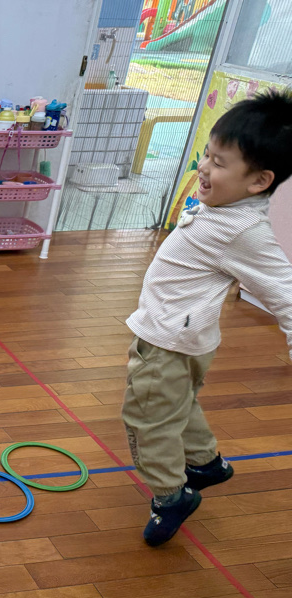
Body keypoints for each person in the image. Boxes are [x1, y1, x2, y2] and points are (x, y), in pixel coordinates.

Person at [123, 89, 292, 547]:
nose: (203, 167)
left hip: (167, 343)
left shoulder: (243, 230)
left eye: (218, 163)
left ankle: (170, 496)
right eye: (206, 154)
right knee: (178, 403)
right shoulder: (226, 207)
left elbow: (286, 291)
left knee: (146, 418)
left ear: (258, 181)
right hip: (185, 338)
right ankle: (205, 463)